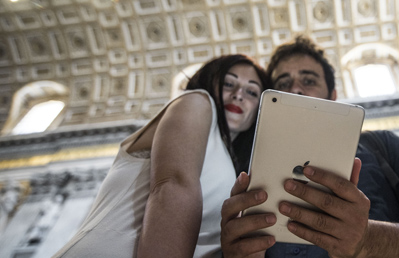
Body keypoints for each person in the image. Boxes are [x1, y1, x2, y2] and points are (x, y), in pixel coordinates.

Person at [220, 36, 399, 257]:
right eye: (283, 85)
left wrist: (367, 240)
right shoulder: (246, 172)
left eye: (308, 81)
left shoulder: (381, 145)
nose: (296, 91)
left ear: (333, 96)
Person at [53, 54, 270, 258]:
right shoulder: (197, 102)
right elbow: (173, 184)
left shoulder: (234, 169)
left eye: (251, 92)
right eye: (229, 84)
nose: (238, 94)